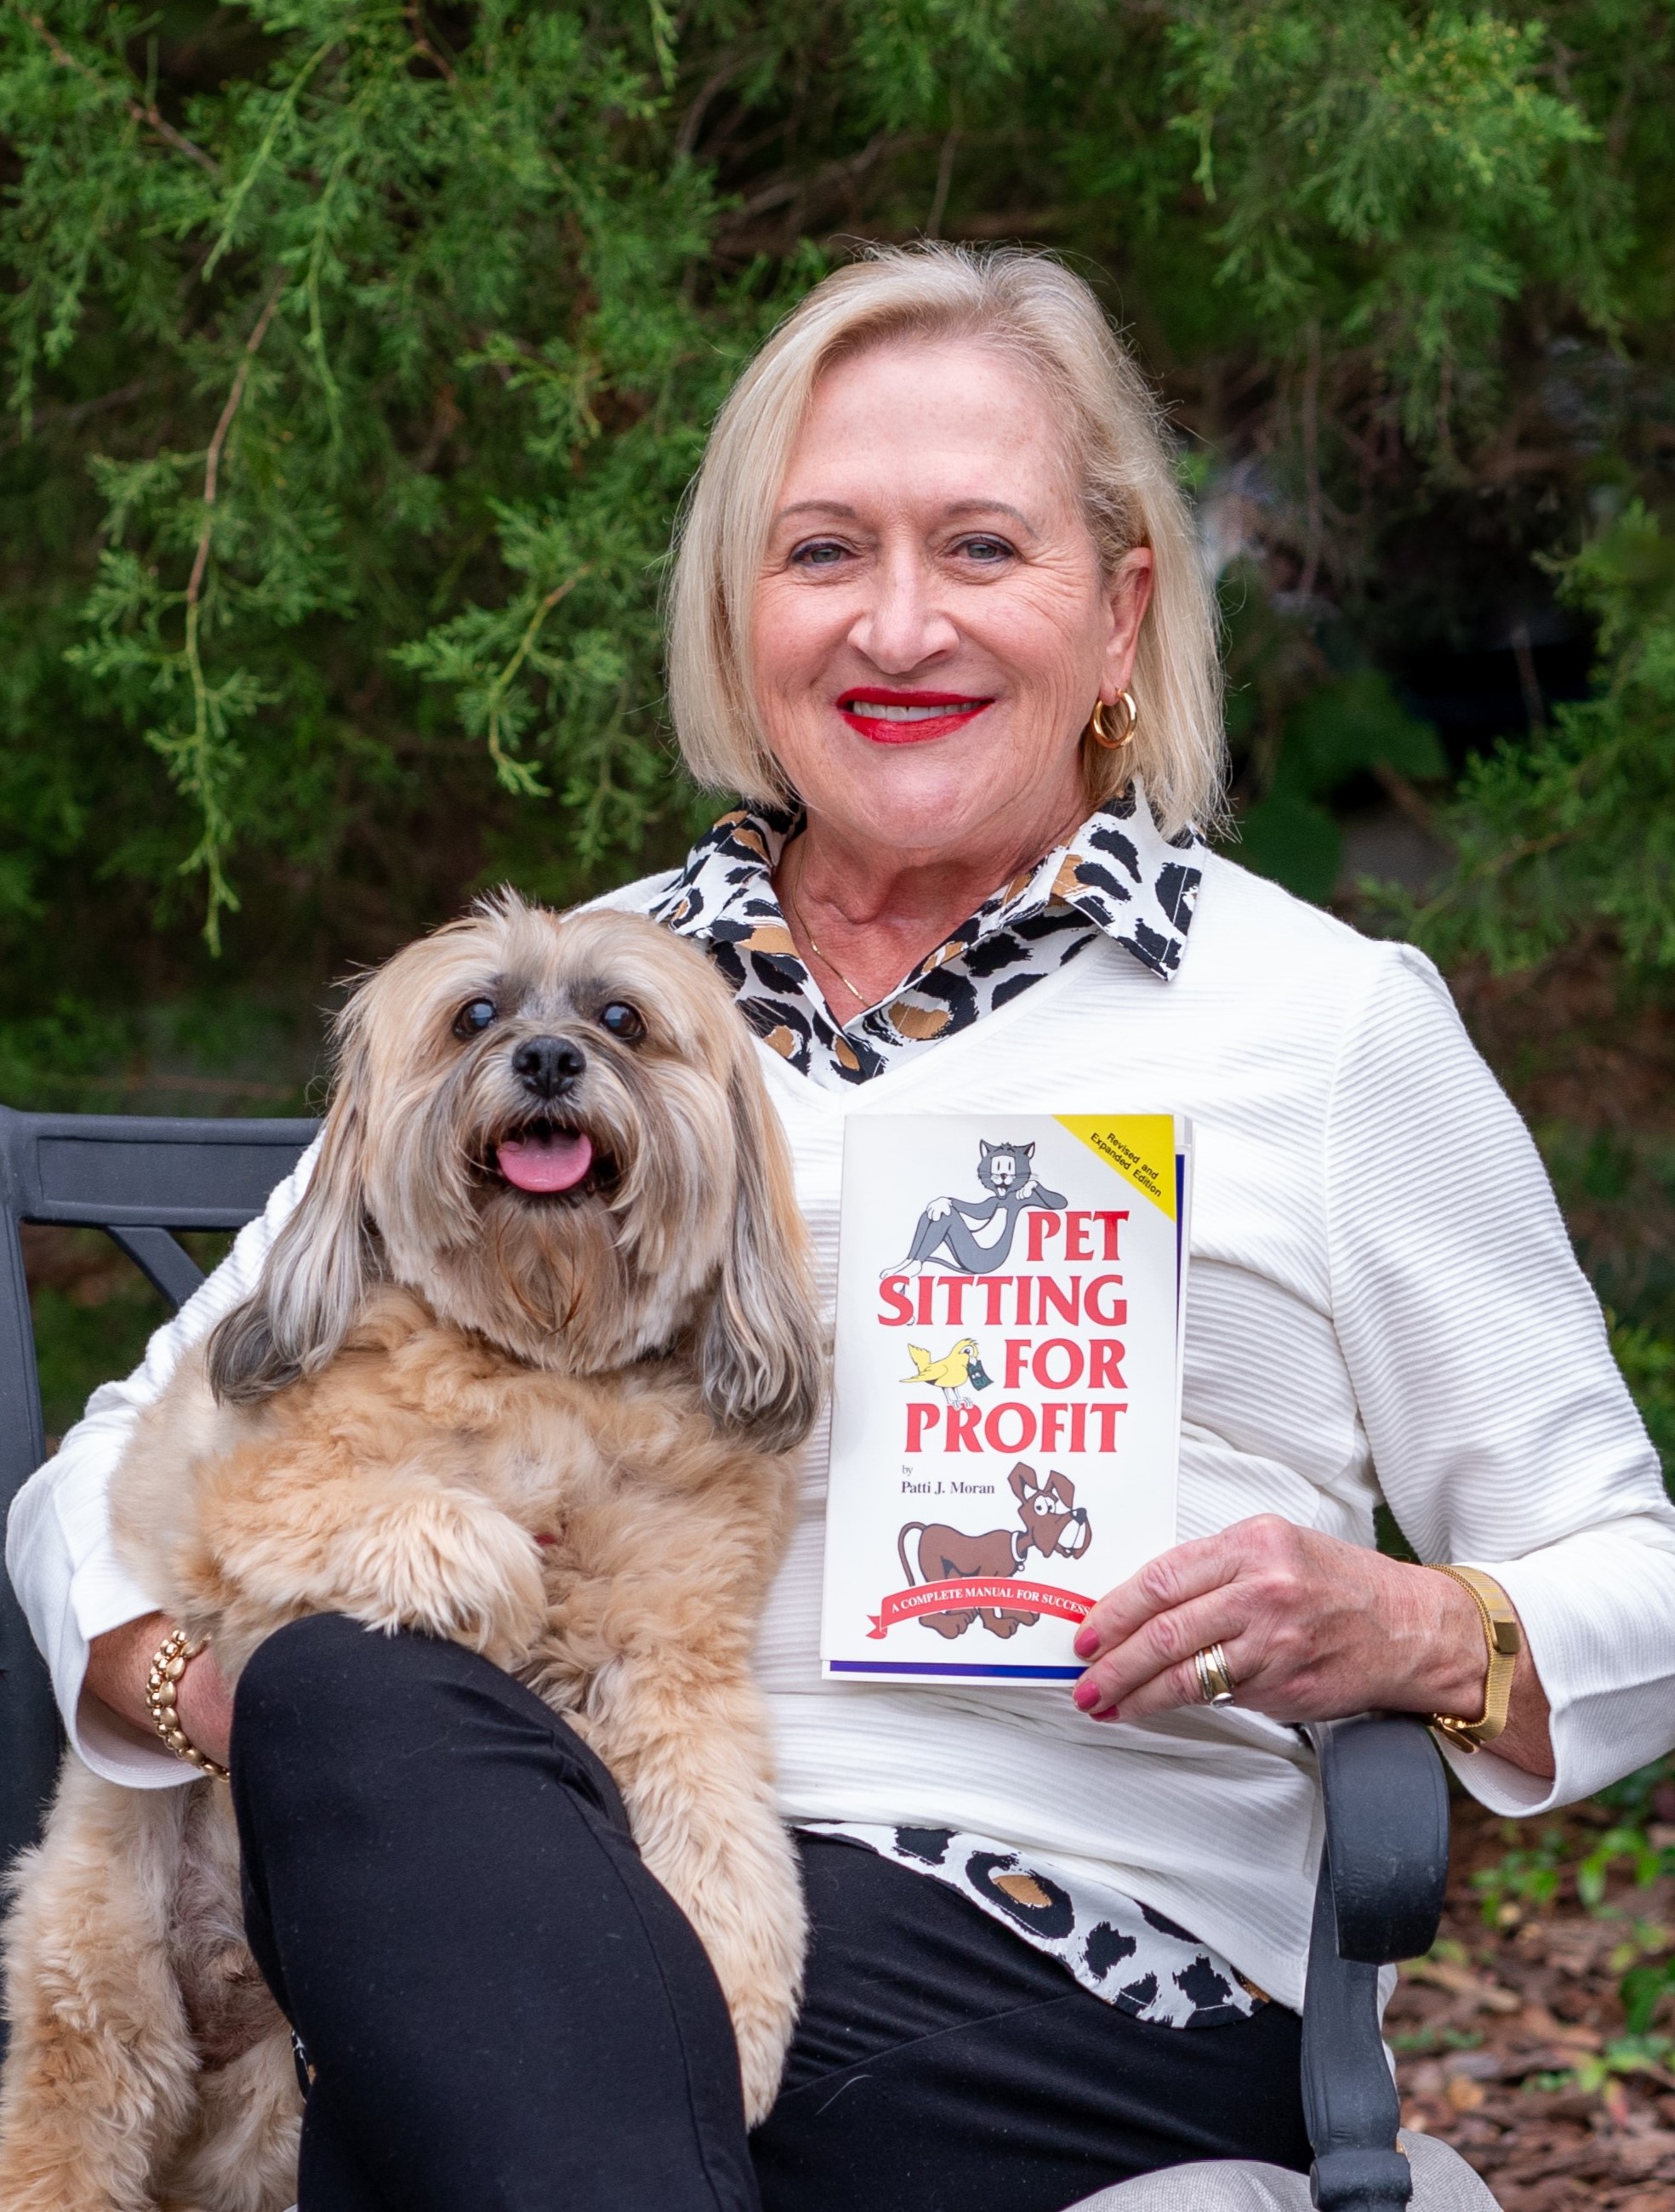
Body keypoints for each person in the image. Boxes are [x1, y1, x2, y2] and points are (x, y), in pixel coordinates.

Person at [9, 244, 1675, 2212]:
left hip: (1054, 1948)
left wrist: (1411, 1623)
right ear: (743, 621)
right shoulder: (566, 1008)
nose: (898, 623)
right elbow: (119, 1469)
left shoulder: (1320, 1025)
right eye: (822, 553)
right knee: (351, 1699)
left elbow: (1630, 1575)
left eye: (979, 548)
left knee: (514, 2091)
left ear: (1122, 609)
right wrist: (204, 1698)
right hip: (524, 1891)